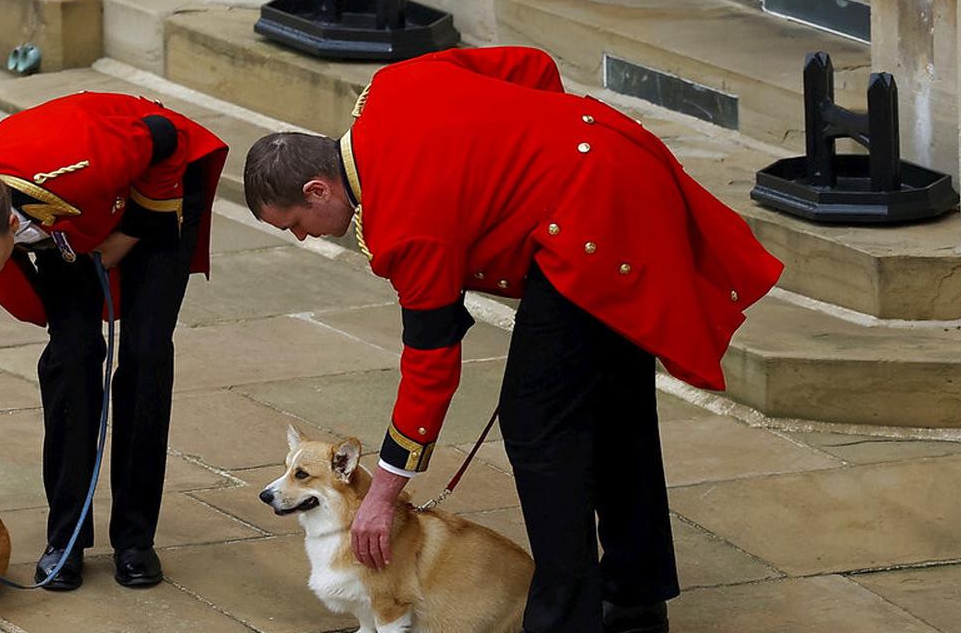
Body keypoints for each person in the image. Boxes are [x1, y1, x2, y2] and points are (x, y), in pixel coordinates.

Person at [242, 46, 783, 633]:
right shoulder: (391, 86)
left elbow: (430, 365)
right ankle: (634, 596)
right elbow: (531, 66)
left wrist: (382, 495)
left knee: (537, 428)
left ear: (319, 190)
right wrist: (541, 154)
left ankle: (563, 619)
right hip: (619, 159)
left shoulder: (404, 224)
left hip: (590, 224)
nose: (301, 238)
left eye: (294, 223)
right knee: (614, 404)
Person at [0, 91, 228, 591]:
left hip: (152, 189)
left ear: (10, 226)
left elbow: (167, 139)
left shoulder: (82, 161)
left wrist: (131, 233)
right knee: (71, 356)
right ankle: (67, 539)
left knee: (145, 353)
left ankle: (136, 540)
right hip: (68, 228)